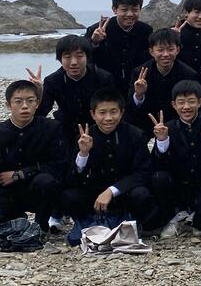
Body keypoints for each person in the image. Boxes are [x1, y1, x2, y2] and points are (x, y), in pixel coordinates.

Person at [61, 87, 158, 229]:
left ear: (122, 112)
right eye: (102, 112)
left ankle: (132, 222)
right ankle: (90, 224)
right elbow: (73, 179)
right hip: (95, 196)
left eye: (113, 112)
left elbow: (143, 173)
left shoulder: (136, 135)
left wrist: (112, 191)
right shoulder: (85, 137)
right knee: (68, 196)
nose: (108, 118)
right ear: (93, 114)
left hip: (124, 192)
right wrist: (83, 154)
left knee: (141, 194)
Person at [150, 80, 201, 237]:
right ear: (174, 105)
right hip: (178, 185)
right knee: (159, 178)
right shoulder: (167, 127)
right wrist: (162, 140)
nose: (186, 107)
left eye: (191, 101)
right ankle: (173, 218)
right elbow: (158, 164)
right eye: (181, 102)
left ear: (200, 102)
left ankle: (198, 219)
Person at [0, 80, 68, 231]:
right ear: (8, 105)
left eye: (30, 101)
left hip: (36, 189)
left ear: (37, 103)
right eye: (18, 101)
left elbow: (58, 164)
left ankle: (41, 226)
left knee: (46, 181)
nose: (25, 106)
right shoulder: (1, 131)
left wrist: (20, 174)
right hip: (8, 191)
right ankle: (15, 218)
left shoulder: (51, 128)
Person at [29, 35, 114, 142]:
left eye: (79, 56)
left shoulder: (103, 78)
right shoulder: (53, 81)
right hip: (66, 129)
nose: (74, 62)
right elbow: (40, 113)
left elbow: (112, 108)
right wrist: (38, 93)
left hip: (98, 129)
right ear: (60, 59)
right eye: (67, 57)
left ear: (87, 57)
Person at [128, 28, 200, 134]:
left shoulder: (189, 74)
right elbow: (131, 108)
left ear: (177, 50)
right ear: (151, 51)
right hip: (145, 126)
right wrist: (139, 95)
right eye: (160, 50)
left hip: (177, 128)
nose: (165, 54)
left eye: (170, 49)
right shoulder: (140, 73)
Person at [85, 0, 153, 93]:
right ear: (114, 9)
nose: (130, 14)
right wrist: (94, 42)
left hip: (136, 85)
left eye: (135, 10)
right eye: (124, 10)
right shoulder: (97, 30)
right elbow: (83, 55)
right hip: (104, 86)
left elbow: (154, 54)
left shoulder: (146, 30)